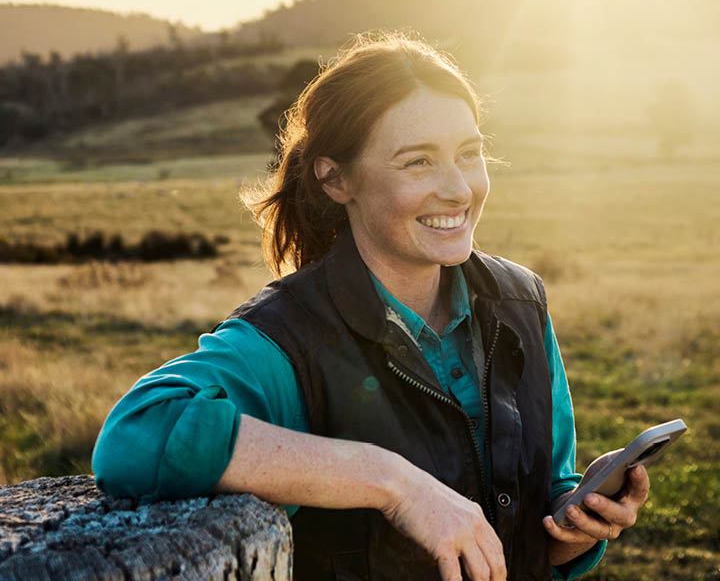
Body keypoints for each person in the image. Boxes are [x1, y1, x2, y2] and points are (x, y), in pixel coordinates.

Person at [92, 31, 650, 581]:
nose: (458, 189)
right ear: (336, 178)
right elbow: (135, 435)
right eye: (418, 163)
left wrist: (574, 522)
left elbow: (537, 520)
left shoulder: (520, 302)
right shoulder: (288, 340)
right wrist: (389, 481)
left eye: (469, 153)